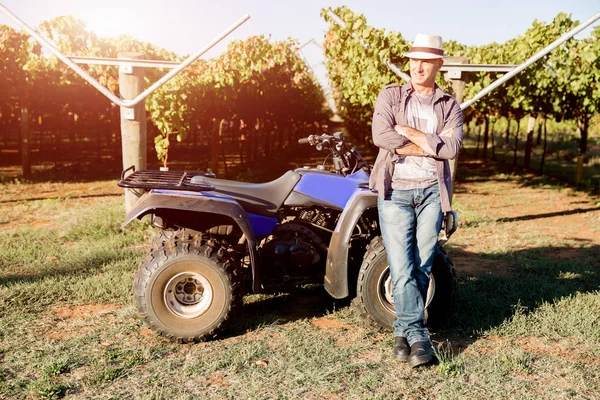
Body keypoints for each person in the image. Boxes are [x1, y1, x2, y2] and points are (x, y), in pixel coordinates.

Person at [369, 33, 463, 368]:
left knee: (423, 264)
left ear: (439, 64)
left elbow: (452, 149)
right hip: (395, 191)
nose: (418, 66)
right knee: (401, 265)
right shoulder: (392, 95)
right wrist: (430, 144)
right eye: (414, 60)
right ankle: (419, 337)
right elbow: (381, 136)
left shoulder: (449, 105)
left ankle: (402, 330)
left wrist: (410, 133)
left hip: (431, 194)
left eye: (426, 60)